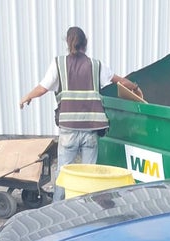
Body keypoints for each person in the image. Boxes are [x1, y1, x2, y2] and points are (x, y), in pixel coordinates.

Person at [19, 26, 142, 201]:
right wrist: (135, 87)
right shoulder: (96, 66)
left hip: (69, 129)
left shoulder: (59, 64)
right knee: (88, 174)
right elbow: (119, 81)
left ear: (67, 43)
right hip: (91, 130)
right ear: (86, 43)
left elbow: (42, 88)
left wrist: (26, 97)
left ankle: (57, 208)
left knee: (64, 172)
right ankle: (85, 209)